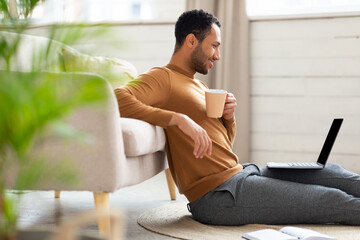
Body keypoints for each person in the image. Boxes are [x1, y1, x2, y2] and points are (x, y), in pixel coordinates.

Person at [115, 9, 360, 226]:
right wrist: (177, 119)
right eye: (214, 45)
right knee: (331, 200)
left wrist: (228, 118)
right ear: (191, 40)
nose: (217, 56)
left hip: (240, 173)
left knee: (333, 174)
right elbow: (117, 98)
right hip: (217, 196)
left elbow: (224, 147)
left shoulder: (199, 87)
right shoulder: (163, 77)